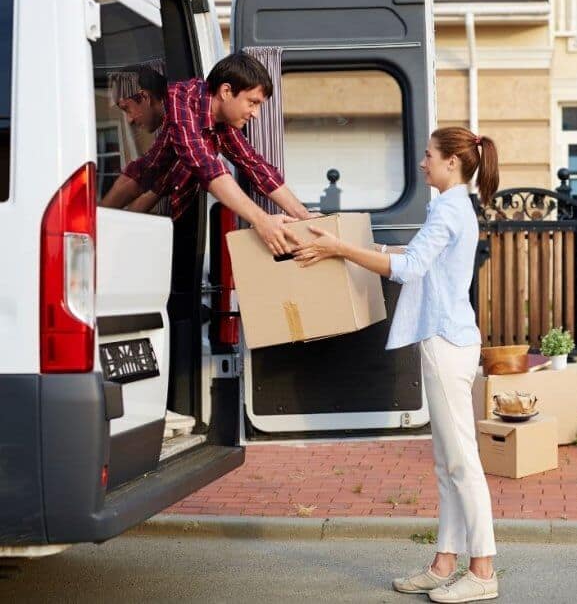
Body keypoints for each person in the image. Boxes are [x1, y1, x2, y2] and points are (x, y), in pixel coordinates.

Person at [293, 127, 500, 603]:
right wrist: (365, 248)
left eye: (429, 155)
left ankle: (483, 570)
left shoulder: (449, 209)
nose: (422, 162)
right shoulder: (452, 208)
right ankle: (444, 562)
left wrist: (340, 249)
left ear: (451, 163)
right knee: (448, 463)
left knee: (462, 461)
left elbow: (408, 271)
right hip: (448, 341)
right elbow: (415, 257)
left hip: (446, 344)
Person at [100, 52, 312, 254]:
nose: (255, 114)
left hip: (177, 221)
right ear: (226, 92)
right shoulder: (178, 100)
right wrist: (262, 220)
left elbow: (256, 167)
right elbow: (206, 168)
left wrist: (305, 217)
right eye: (253, 103)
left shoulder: (221, 122)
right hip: (163, 221)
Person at [111, 64, 168, 135]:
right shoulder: (171, 128)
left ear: (145, 97)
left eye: (126, 109)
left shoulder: (182, 119)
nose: (129, 120)